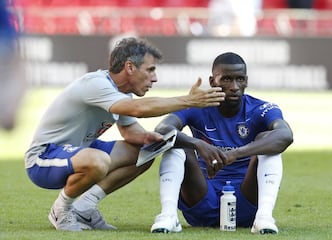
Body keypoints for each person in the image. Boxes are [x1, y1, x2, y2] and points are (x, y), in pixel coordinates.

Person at [24, 37, 225, 231]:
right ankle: (61, 209)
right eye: (150, 70)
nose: (155, 78)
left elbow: (129, 129)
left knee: (145, 154)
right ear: (130, 67)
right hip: (43, 158)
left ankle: (84, 208)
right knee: (98, 160)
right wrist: (188, 101)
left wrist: (147, 138)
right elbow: (137, 109)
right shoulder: (96, 84)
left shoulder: (121, 93)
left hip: (78, 152)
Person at [150, 52, 293, 234]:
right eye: (226, 79)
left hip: (246, 202)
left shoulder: (261, 109)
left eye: (240, 79)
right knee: (176, 143)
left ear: (246, 81)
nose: (234, 86)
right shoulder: (197, 106)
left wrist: (236, 153)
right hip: (202, 200)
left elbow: (285, 135)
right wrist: (198, 144)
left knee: (268, 142)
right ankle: (168, 215)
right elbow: (162, 130)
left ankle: (263, 218)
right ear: (212, 81)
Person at [0, 1, 25, 130]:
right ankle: (7, 114)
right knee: (16, 78)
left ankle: (7, 114)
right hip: (5, 42)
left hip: (5, 41)